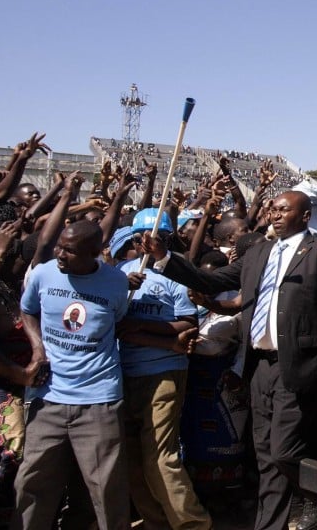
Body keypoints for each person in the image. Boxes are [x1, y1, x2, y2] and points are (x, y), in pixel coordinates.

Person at [143, 190, 317, 530]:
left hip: (298, 368)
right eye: (272, 209)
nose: (275, 214)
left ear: (304, 216)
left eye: (284, 210)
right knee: (264, 456)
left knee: (284, 451)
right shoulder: (259, 252)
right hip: (258, 368)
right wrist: (165, 258)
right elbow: (210, 280)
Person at [16, 220, 131, 530]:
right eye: (59, 247)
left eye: (69, 250)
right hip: (48, 399)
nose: (60, 254)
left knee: (106, 489)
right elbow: (27, 311)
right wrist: (38, 347)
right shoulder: (43, 273)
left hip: (99, 400)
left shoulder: (116, 282)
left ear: (94, 253)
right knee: (32, 483)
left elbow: (118, 321)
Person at [118, 208, 211, 530]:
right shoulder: (121, 273)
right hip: (121, 374)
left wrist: (139, 328)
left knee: (159, 456)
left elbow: (188, 323)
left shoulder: (177, 272)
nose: (146, 241)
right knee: (132, 460)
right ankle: (157, 522)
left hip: (163, 372)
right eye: (141, 236)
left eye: (156, 236)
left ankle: (192, 524)